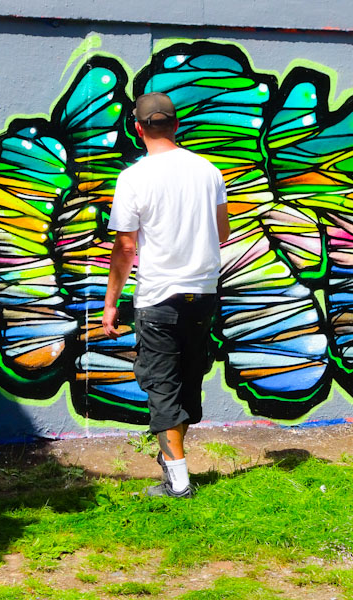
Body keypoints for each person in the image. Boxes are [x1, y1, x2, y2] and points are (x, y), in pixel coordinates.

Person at [102, 92, 230, 498]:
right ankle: (174, 465)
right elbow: (222, 232)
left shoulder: (134, 178)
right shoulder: (208, 171)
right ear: (175, 125)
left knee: (161, 384)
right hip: (203, 292)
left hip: (158, 296)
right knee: (188, 379)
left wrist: (111, 303)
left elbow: (126, 247)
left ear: (137, 129)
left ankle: (178, 483)